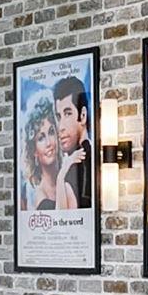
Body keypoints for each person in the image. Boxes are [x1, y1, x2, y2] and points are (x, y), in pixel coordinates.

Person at [20, 97, 74, 213]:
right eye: (41, 138)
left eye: (51, 132)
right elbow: (61, 219)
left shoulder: (70, 180)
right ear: (34, 150)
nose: (48, 143)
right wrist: (60, 177)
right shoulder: (36, 195)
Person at [51, 72, 94, 209]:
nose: (60, 127)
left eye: (68, 113)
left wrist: (61, 176)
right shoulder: (71, 163)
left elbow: (62, 219)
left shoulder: (77, 166)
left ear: (83, 115)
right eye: (59, 117)